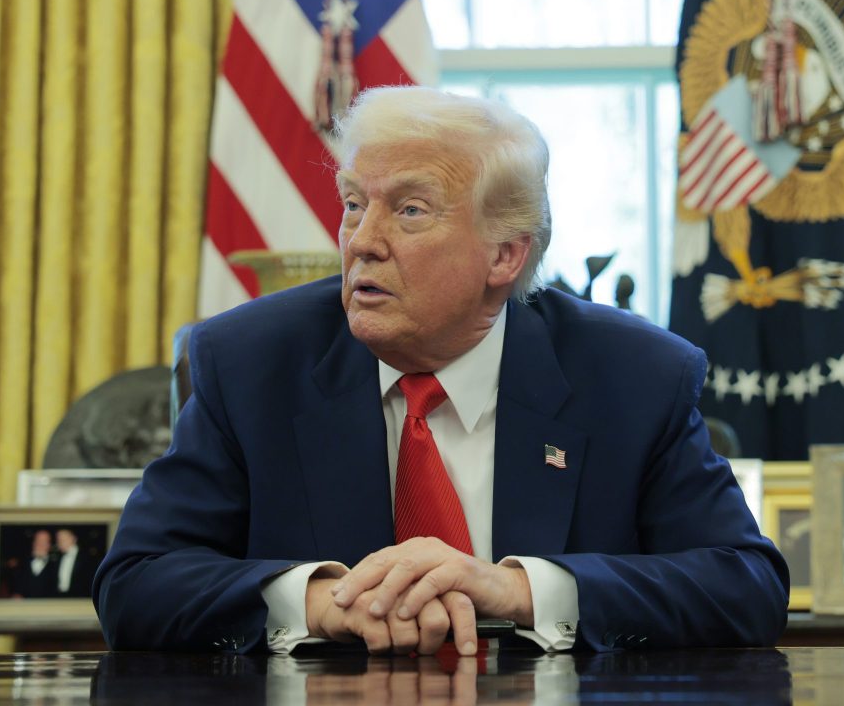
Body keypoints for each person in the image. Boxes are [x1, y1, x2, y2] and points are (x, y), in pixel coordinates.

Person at [94, 86, 789, 656]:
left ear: (504, 257)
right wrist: (321, 602)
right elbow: (136, 582)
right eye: (353, 205)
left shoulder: (633, 376)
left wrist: (517, 591)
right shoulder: (250, 363)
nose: (362, 243)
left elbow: (746, 585)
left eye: (410, 211)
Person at [14, 528, 58, 598]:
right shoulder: (22, 563)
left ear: (49, 545)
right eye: (38, 540)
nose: (40, 543)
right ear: (33, 543)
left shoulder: (56, 566)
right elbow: (16, 588)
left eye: (44, 541)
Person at [55, 528, 94, 598]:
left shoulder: (87, 558)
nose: (60, 542)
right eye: (58, 540)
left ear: (74, 539)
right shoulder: (56, 559)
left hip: (79, 599)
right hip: (59, 598)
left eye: (63, 539)